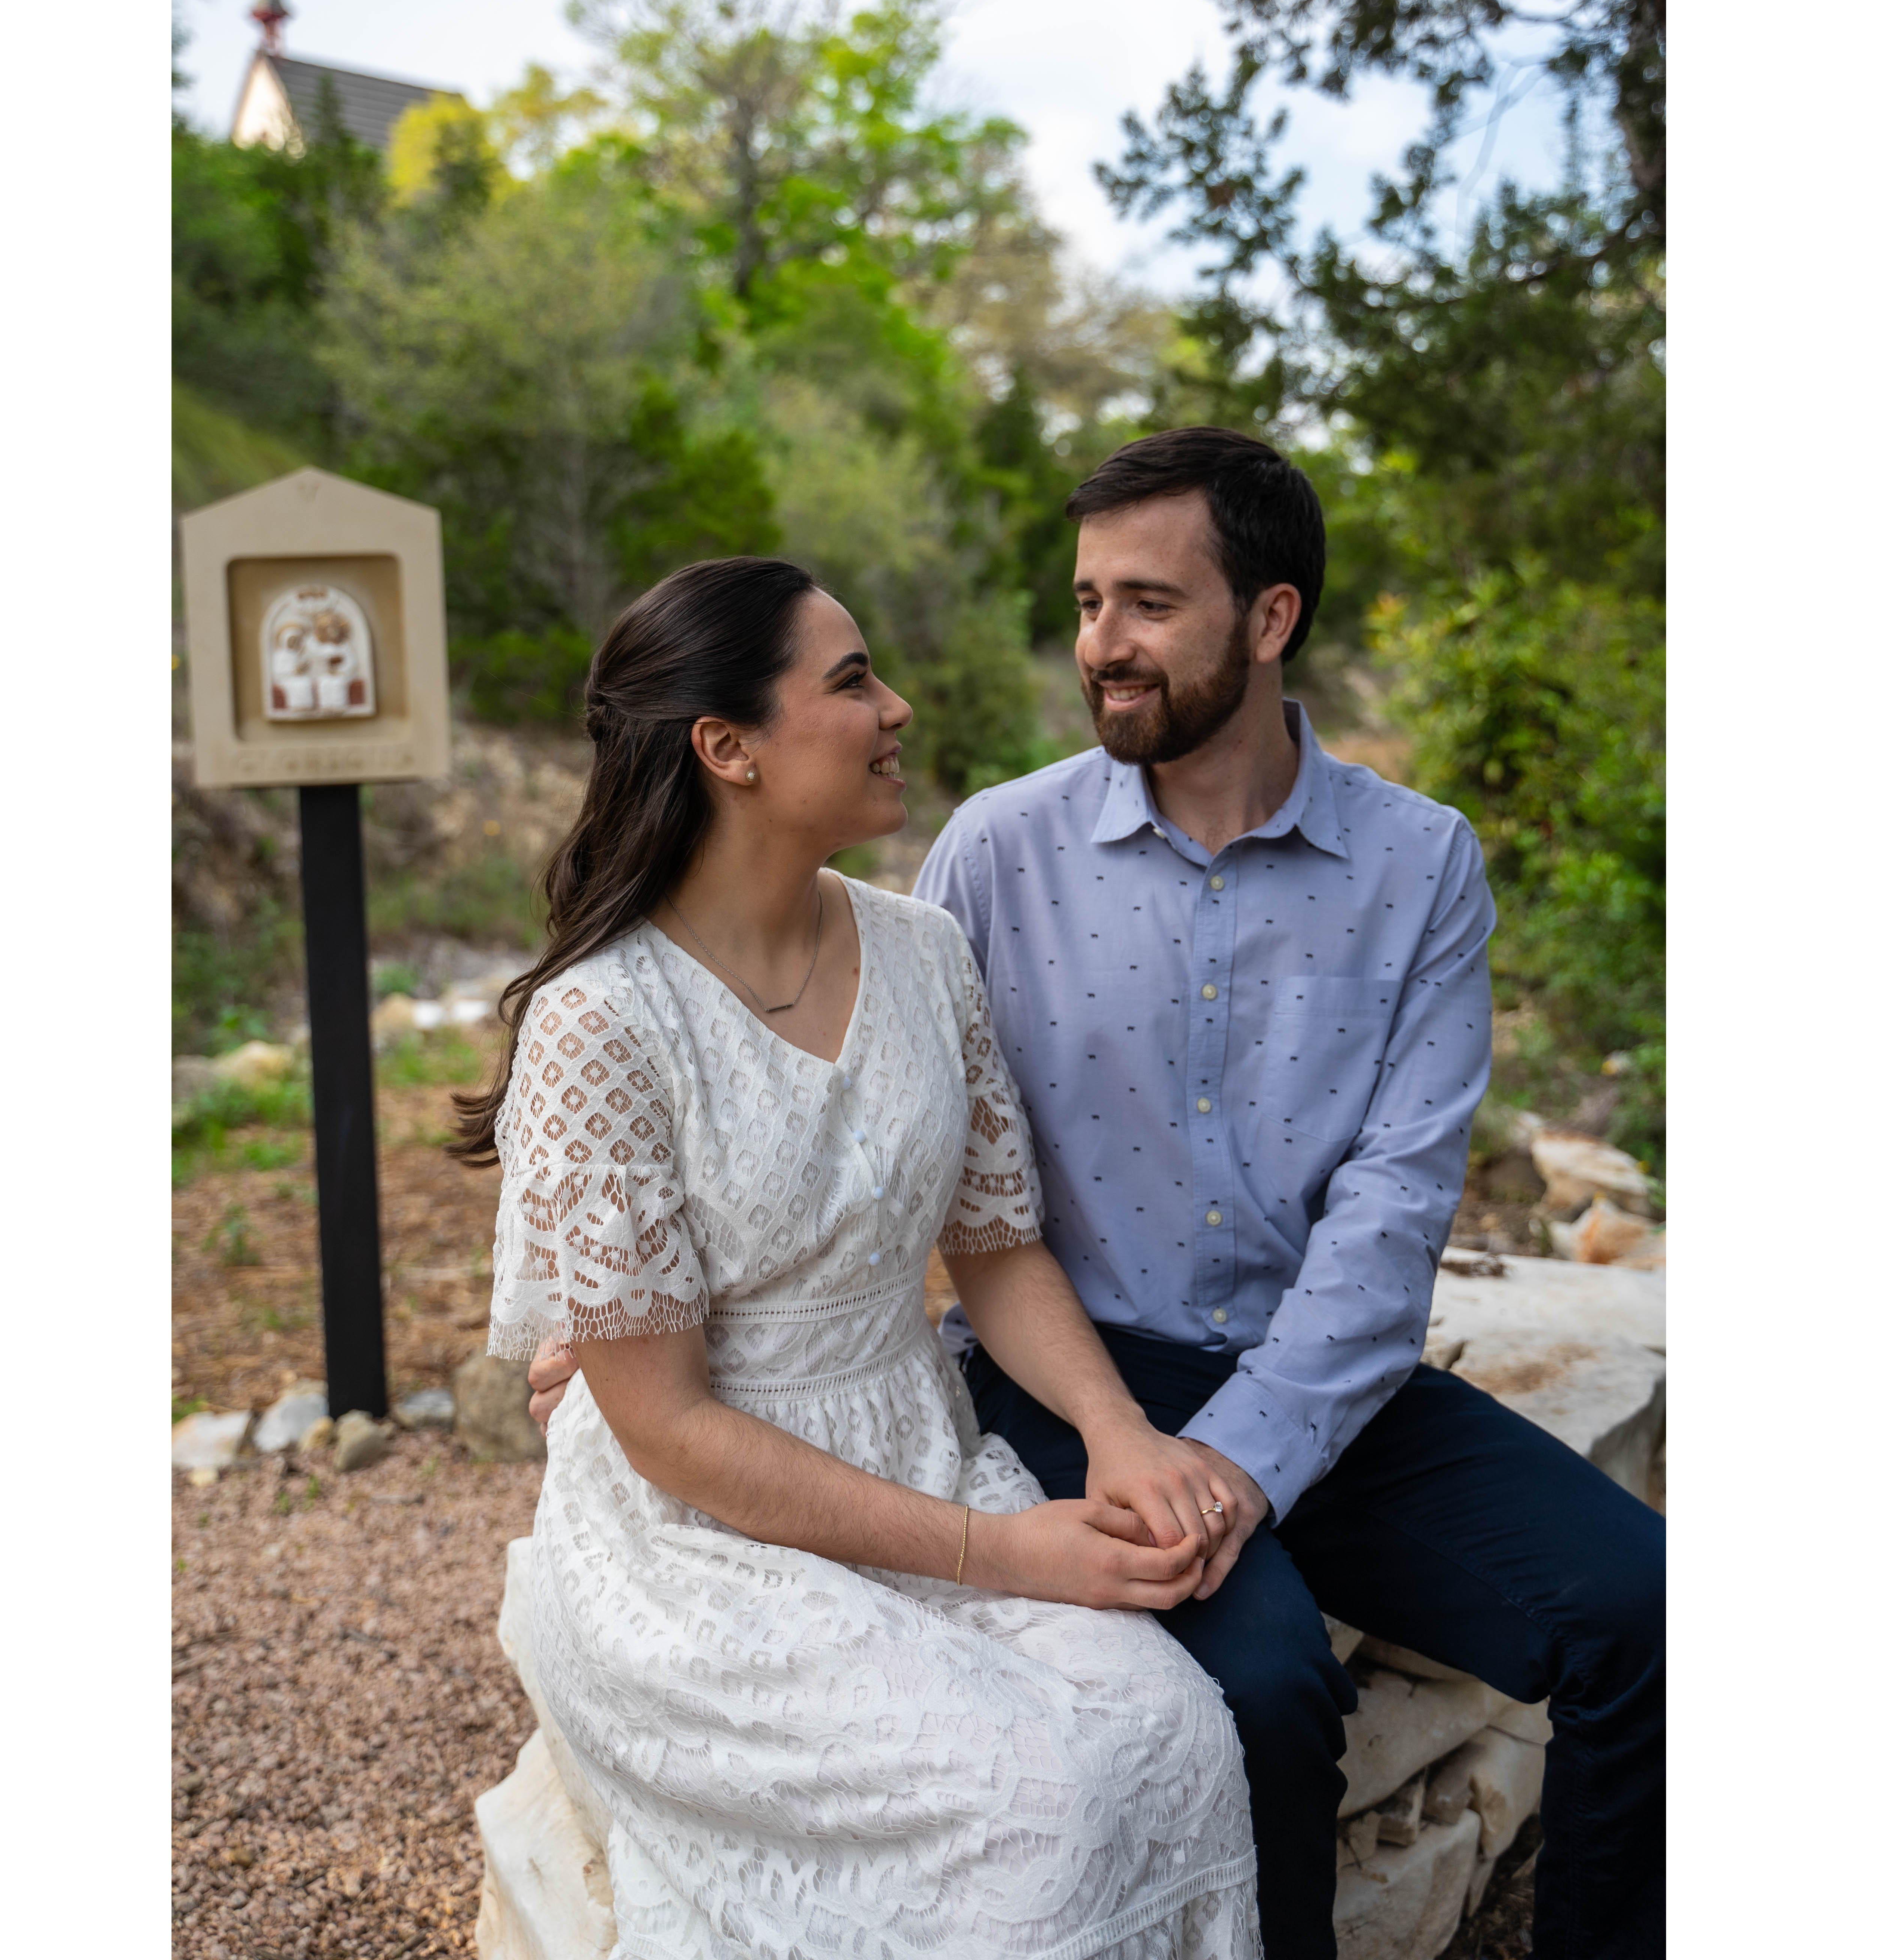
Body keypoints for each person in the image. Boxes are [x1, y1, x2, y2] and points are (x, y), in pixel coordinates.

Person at [531, 435, 1666, 1959]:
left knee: (1650, 1616)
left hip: (1329, 1379)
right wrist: (637, 1333)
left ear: (1270, 619)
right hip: (1076, 1375)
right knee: (1261, 1692)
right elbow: (863, 1126)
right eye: (1086, 603)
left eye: (1149, 604)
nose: (1101, 644)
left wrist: (1238, 1465)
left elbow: (1393, 1221)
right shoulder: (994, 855)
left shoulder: (1419, 867)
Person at [463, 555, 1260, 1960]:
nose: (896, 708)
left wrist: (1118, 1435)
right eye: (851, 683)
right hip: (693, 1544)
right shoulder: (604, 1024)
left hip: (918, 1446)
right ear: (729, 749)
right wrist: (1000, 1553)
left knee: (1179, 1731)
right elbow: (667, 1428)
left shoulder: (924, 951)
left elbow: (996, 1251)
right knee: (1035, 1815)